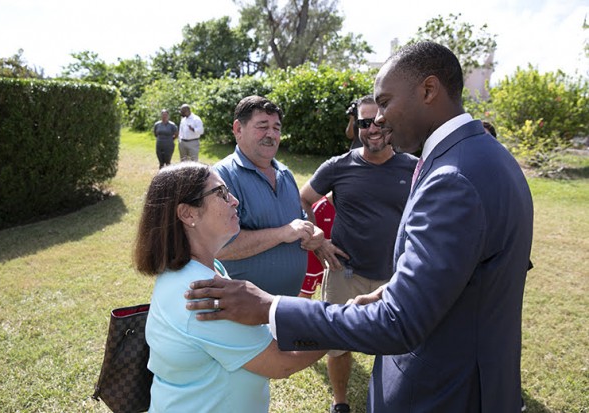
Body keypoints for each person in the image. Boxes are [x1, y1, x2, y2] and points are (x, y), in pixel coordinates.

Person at [185, 41, 534, 412]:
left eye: (385, 102)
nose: (378, 120)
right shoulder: (487, 156)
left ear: (428, 90)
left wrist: (270, 307)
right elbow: (467, 276)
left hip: (441, 394)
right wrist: (393, 291)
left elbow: (399, 324)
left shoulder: (452, 178)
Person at [133, 162, 325, 413]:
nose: (234, 201)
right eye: (221, 193)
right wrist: (342, 328)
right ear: (188, 214)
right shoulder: (201, 292)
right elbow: (282, 362)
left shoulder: (202, 269)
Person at [299, 94, 418, 413]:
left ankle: (389, 400)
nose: (372, 129)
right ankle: (340, 402)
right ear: (357, 127)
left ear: (390, 123)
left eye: (379, 121)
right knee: (337, 344)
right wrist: (319, 239)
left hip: (395, 278)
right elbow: (304, 198)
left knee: (396, 346)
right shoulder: (338, 167)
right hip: (344, 274)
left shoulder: (414, 168)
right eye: (365, 123)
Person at [213, 95, 323, 296]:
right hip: (242, 307)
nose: (271, 134)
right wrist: (282, 233)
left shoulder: (285, 174)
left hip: (285, 305)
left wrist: (314, 232)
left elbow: (299, 220)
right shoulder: (221, 177)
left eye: (276, 128)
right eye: (262, 126)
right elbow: (221, 247)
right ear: (238, 129)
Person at [298, 195, 335, 298]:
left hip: (332, 257)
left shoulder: (346, 206)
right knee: (304, 294)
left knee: (330, 292)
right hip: (313, 257)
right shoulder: (320, 207)